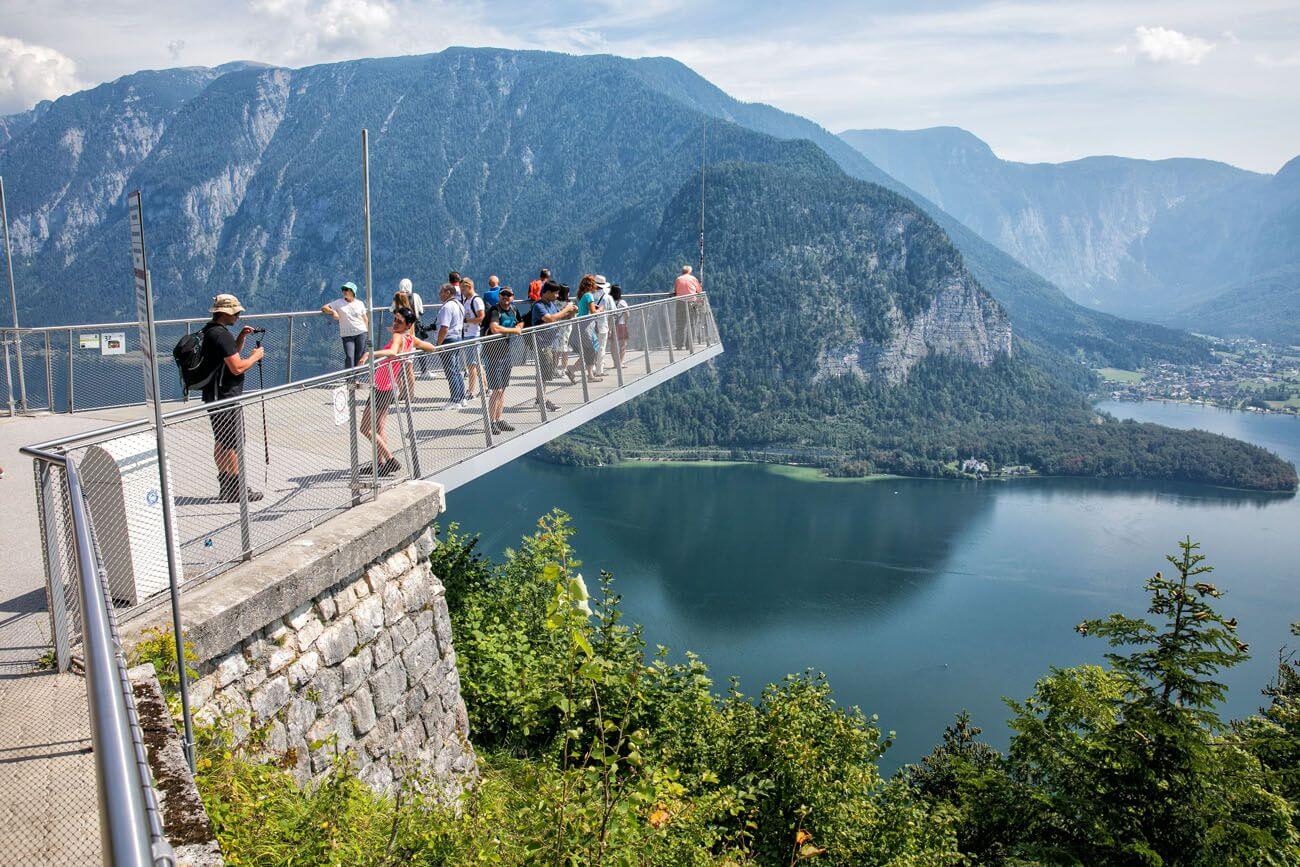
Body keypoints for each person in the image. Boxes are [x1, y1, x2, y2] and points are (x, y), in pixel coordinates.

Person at [199, 294, 265, 503]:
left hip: (213, 394)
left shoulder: (210, 331)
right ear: (226, 313)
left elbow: (229, 355)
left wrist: (241, 338)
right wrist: (256, 356)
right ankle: (238, 489)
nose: (238, 316)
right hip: (227, 396)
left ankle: (226, 487)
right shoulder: (221, 335)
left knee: (221, 441)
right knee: (234, 443)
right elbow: (236, 367)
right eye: (236, 313)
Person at [357, 307, 432, 476]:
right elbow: (431, 347)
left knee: (365, 428)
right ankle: (380, 464)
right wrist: (421, 347)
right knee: (379, 428)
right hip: (391, 387)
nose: (395, 323)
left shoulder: (398, 336)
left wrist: (370, 354)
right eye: (395, 320)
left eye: (399, 321)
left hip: (381, 387)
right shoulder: (410, 339)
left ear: (408, 324)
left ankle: (390, 460)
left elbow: (392, 352)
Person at [482, 287, 524, 434]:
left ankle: (499, 419)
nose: (506, 297)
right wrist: (514, 331)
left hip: (505, 352)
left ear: (513, 297)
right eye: (503, 294)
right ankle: (491, 421)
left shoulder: (513, 309)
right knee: (496, 390)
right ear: (499, 296)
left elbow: (520, 322)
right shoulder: (495, 311)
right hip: (493, 353)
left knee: (503, 390)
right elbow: (494, 328)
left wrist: (518, 326)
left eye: (509, 295)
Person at [528, 281, 573, 410]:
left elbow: (562, 316)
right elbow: (550, 319)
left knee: (546, 373)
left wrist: (572, 312)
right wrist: (566, 309)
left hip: (552, 343)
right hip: (542, 343)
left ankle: (541, 399)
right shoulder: (538, 306)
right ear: (547, 292)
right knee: (544, 373)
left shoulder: (551, 304)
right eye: (555, 293)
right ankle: (542, 400)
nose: (557, 295)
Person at [320, 281, 368, 369]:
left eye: (347, 289)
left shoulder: (360, 303)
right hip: (347, 335)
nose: (344, 291)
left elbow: (365, 319)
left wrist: (368, 334)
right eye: (343, 289)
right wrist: (333, 311)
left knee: (359, 357)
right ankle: (349, 380)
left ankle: (355, 378)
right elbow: (323, 308)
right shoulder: (338, 302)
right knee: (349, 357)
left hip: (361, 333)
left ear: (353, 291)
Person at [434, 282, 467, 409]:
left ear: (448, 292)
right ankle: (462, 397)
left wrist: (438, 344)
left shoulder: (447, 307)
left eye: (441, 292)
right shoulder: (459, 305)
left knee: (450, 371)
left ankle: (455, 400)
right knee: (457, 369)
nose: (439, 294)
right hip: (458, 338)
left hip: (448, 340)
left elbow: (444, 327)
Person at [566, 274, 604, 383]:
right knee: (592, 349)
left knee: (589, 350)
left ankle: (587, 374)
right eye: (594, 284)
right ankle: (579, 371)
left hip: (581, 325)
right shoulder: (589, 296)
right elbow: (593, 312)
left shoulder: (582, 295)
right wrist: (600, 309)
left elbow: (585, 309)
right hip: (586, 326)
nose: (595, 286)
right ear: (591, 286)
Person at [460, 278, 486, 399]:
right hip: (467, 335)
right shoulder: (467, 300)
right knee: (476, 363)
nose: (462, 291)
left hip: (473, 335)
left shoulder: (476, 300)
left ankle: (471, 391)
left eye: (463, 288)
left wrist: (467, 320)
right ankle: (485, 388)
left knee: (471, 365)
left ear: (469, 286)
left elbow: (481, 317)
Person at [673, 264, 702, 350]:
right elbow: (699, 290)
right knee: (692, 324)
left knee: (680, 325)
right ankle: (689, 345)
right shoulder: (693, 279)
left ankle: (679, 345)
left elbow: (675, 290)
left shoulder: (678, 279)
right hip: (691, 303)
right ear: (689, 272)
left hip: (680, 303)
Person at [590, 275, 613, 376]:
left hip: (590, 325)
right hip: (602, 325)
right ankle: (599, 370)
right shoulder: (607, 297)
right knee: (601, 348)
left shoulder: (590, 295)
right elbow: (614, 311)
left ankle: (592, 369)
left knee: (592, 348)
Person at [609, 284, 630, 368]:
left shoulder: (609, 301)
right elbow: (627, 314)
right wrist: (626, 321)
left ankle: (615, 363)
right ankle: (620, 363)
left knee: (613, 345)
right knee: (623, 344)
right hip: (621, 324)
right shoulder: (622, 302)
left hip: (611, 325)